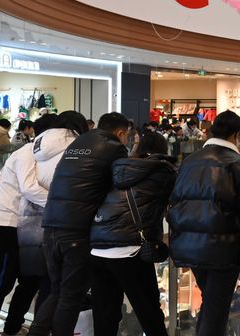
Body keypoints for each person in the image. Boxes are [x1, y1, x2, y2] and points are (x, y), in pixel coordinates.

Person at [0, 114, 76, 336]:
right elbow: (29, 189)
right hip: (3, 224)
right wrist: (61, 205)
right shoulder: (27, 153)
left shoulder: (41, 155)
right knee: (1, 282)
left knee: (28, 281)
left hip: (20, 227)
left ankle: (12, 327)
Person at [35, 112, 130, 336]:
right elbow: (122, 183)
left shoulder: (79, 142)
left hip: (50, 225)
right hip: (77, 230)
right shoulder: (114, 148)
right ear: (120, 133)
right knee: (71, 296)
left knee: (57, 291)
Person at [168, 111, 240, 336]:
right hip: (224, 246)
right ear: (237, 135)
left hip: (188, 244)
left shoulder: (189, 161)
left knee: (211, 303)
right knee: (217, 308)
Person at [89, 130, 176, 336]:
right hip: (129, 250)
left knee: (104, 316)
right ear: (162, 149)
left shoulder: (117, 168)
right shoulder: (163, 171)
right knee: (149, 314)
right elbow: (177, 202)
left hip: (97, 249)